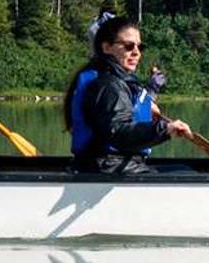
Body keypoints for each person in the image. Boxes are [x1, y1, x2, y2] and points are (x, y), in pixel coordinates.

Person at [63, 15, 195, 173]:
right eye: (128, 46)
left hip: (113, 165)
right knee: (186, 174)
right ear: (106, 48)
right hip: (108, 168)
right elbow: (118, 132)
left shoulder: (110, 80)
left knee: (183, 169)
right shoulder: (107, 85)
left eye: (140, 47)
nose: (136, 53)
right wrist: (164, 129)